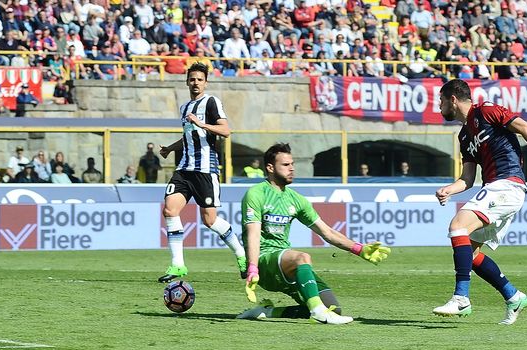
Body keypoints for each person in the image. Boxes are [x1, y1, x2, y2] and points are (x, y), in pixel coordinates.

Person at [433, 79, 527, 325]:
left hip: (508, 184)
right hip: (495, 188)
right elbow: (467, 179)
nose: (438, 107)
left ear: (452, 99)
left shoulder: (486, 110)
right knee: (470, 253)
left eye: (440, 101)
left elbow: (526, 128)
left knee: (457, 226)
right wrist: (450, 190)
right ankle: (513, 296)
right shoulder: (464, 135)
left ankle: (461, 298)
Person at [236, 143, 391, 324]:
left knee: (333, 307)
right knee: (302, 257)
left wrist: (359, 249)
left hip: (284, 265)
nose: (292, 168)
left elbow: (327, 232)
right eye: (285, 165)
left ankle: (267, 312)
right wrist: (253, 267)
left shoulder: (296, 199)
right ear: (270, 168)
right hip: (264, 261)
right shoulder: (256, 194)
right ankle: (318, 312)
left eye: (292, 164)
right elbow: (252, 234)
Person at [157, 62, 246, 283]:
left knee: (209, 220)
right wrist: (170, 148)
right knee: (170, 210)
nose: (195, 83)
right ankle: (178, 265)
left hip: (206, 169)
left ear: (205, 82)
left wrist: (202, 124)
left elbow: (226, 131)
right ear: (187, 81)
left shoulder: (211, 102)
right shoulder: (184, 108)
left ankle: (241, 254)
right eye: (192, 79)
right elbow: (189, 137)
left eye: (199, 79)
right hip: (185, 169)